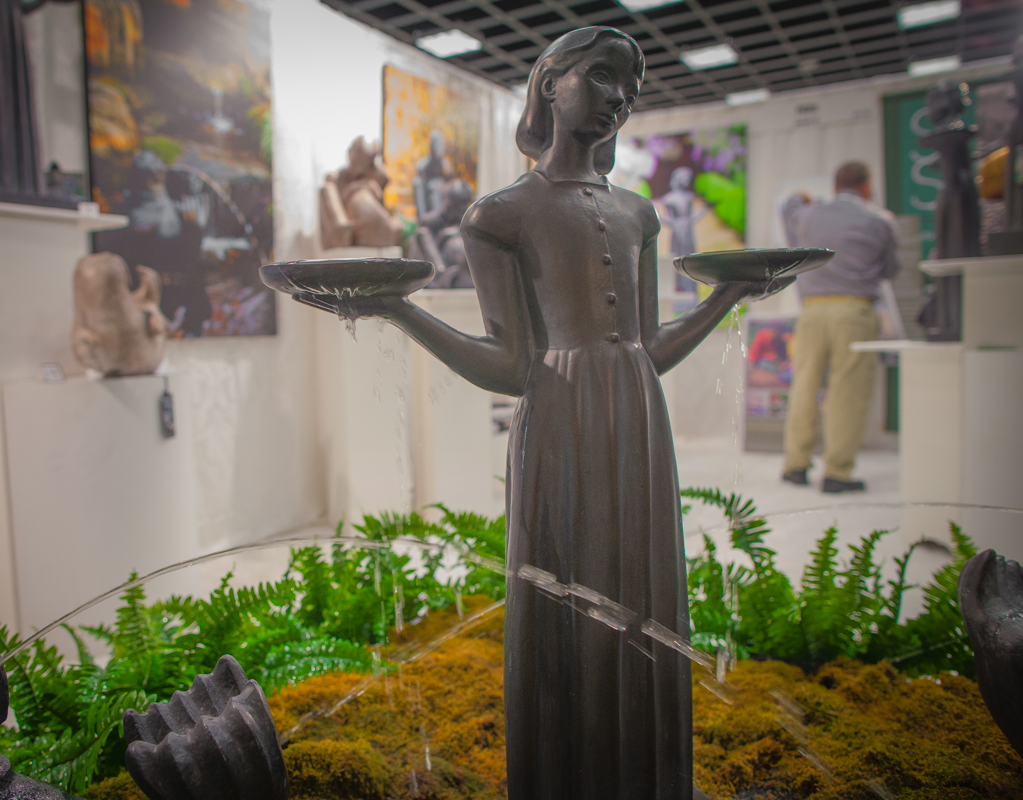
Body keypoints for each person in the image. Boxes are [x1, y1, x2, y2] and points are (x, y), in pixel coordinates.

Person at [301, 26, 782, 800]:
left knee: (647, 585)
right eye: (603, 76)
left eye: (632, 87)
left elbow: (649, 348)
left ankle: (652, 774)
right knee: (568, 589)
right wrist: (398, 310)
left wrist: (726, 296)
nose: (621, 97)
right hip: (560, 419)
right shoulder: (498, 216)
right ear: (549, 82)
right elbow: (511, 365)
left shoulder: (639, 215)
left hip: (638, 411)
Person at [781, 161, 900, 493]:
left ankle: (795, 465)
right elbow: (890, 269)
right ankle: (836, 472)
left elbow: (789, 206)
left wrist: (801, 196)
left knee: (804, 385)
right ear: (867, 186)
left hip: (812, 310)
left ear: (834, 186)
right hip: (854, 310)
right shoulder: (879, 221)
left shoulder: (808, 215)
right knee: (848, 390)